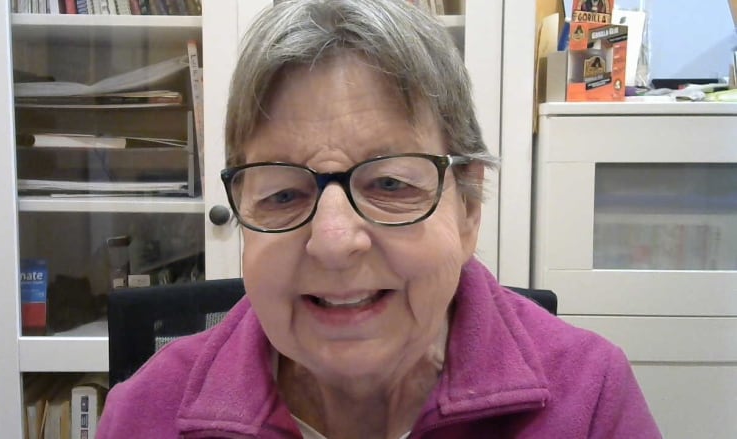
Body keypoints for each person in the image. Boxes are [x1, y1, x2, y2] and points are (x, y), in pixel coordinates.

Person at [97, 0, 661, 437]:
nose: (334, 241)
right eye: (283, 195)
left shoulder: (588, 399)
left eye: (390, 183)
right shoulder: (145, 415)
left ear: (467, 208)